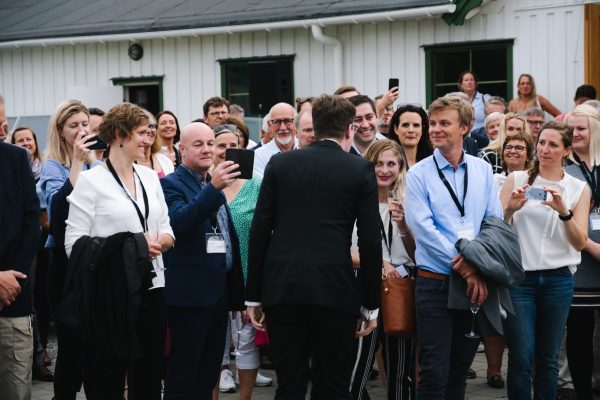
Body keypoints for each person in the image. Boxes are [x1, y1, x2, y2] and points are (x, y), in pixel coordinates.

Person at [246, 94, 382, 399]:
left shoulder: (280, 164)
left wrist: (253, 295)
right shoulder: (358, 169)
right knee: (332, 385)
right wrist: (370, 302)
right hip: (334, 287)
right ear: (349, 130)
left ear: (313, 128)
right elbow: (371, 240)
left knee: (290, 384)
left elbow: (259, 230)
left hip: (283, 286)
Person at [63, 102, 174, 400]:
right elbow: (73, 244)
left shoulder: (150, 177)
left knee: (150, 373)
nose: (149, 138)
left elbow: (167, 228)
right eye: (142, 132)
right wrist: (130, 246)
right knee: (108, 375)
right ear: (120, 135)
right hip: (112, 293)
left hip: (153, 285)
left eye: (150, 132)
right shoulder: (91, 181)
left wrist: (158, 243)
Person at [404, 96, 502, 399]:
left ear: (465, 127)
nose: (435, 129)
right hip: (435, 282)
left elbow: (493, 222)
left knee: (460, 369)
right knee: (434, 371)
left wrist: (476, 266)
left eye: (444, 123)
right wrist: (466, 265)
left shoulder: (481, 170)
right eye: (432, 123)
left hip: (474, 283)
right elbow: (423, 229)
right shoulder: (418, 174)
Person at [500, 121, 590, 399]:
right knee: (521, 355)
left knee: (548, 358)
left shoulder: (578, 188)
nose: (545, 149)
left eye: (553, 144)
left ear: (566, 150)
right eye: (541, 143)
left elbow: (579, 241)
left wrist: (564, 212)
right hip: (519, 279)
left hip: (558, 279)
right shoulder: (517, 179)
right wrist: (510, 210)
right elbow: (495, 229)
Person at [160, 122, 245, 400]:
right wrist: (213, 189)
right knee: (184, 375)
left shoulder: (210, 183)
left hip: (217, 294)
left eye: (211, 143)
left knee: (208, 375)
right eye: (198, 144)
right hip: (189, 298)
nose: (207, 149)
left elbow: (226, 237)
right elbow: (179, 223)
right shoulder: (170, 184)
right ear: (181, 150)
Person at [38, 99, 99, 399]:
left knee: (96, 350)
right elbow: (58, 213)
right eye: (73, 126)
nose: (81, 130)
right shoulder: (53, 166)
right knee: (72, 350)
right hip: (65, 267)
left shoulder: (97, 163)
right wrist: (76, 162)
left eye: (85, 124)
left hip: (95, 261)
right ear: (60, 131)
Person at [350, 140, 416, 400]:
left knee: (401, 370)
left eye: (391, 164)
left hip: (400, 287)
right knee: (356, 368)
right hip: (363, 285)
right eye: (379, 164)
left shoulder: (408, 201)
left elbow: (415, 254)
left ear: (400, 167)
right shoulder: (354, 203)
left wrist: (403, 227)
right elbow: (343, 251)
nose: (385, 170)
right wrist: (379, 262)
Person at [211, 124, 273, 398]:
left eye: (232, 145)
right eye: (220, 145)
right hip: (212, 278)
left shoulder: (257, 186)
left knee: (247, 341)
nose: (226, 151)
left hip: (248, 274)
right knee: (212, 343)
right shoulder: (204, 185)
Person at [564, 104, 600, 399]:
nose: (574, 134)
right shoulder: (565, 170)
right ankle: (583, 393)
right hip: (578, 270)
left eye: (581, 128)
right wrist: (590, 246)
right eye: (571, 129)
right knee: (579, 337)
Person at [0, 138, 41, 400]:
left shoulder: (15, 159)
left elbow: (31, 221)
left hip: (11, 299)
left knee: (15, 389)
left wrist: (11, 277)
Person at [253, 103, 298, 177]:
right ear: (270, 125)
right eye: (277, 122)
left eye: (287, 121)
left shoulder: (306, 148)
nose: (283, 128)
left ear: (296, 123)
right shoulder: (259, 155)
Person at [388, 103, 433, 167]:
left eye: (416, 125)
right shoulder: (386, 162)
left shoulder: (432, 162)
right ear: (396, 129)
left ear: (422, 129)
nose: (411, 130)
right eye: (405, 125)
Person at [136, 111, 174, 178]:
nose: (149, 130)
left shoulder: (166, 162)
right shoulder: (127, 163)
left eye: (152, 126)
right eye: (143, 126)